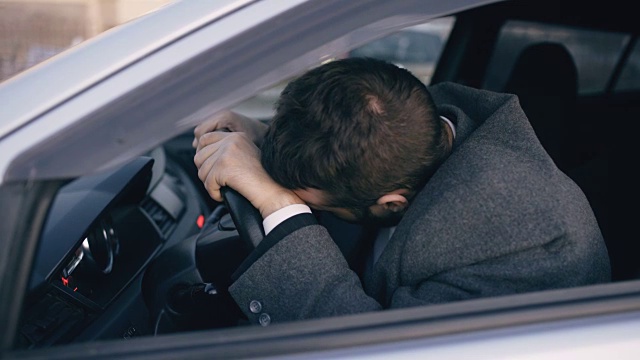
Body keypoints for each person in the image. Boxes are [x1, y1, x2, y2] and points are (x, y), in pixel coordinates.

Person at [193, 57, 610, 326]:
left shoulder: (523, 242)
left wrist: (280, 206)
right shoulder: (406, 127)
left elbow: (367, 351)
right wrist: (268, 139)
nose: (296, 199)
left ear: (393, 203)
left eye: (314, 204)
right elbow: (344, 142)